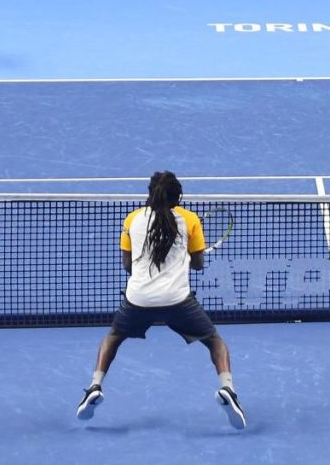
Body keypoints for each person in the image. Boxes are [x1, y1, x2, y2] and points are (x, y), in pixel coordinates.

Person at [77, 171, 247, 430]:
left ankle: (94, 386)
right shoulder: (190, 220)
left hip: (138, 299)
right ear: (178, 197)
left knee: (113, 336)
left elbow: (127, 265)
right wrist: (185, 258)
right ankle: (228, 390)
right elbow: (199, 265)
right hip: (178, 301)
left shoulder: (132, 219)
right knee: (215, 341)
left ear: (150, 193)